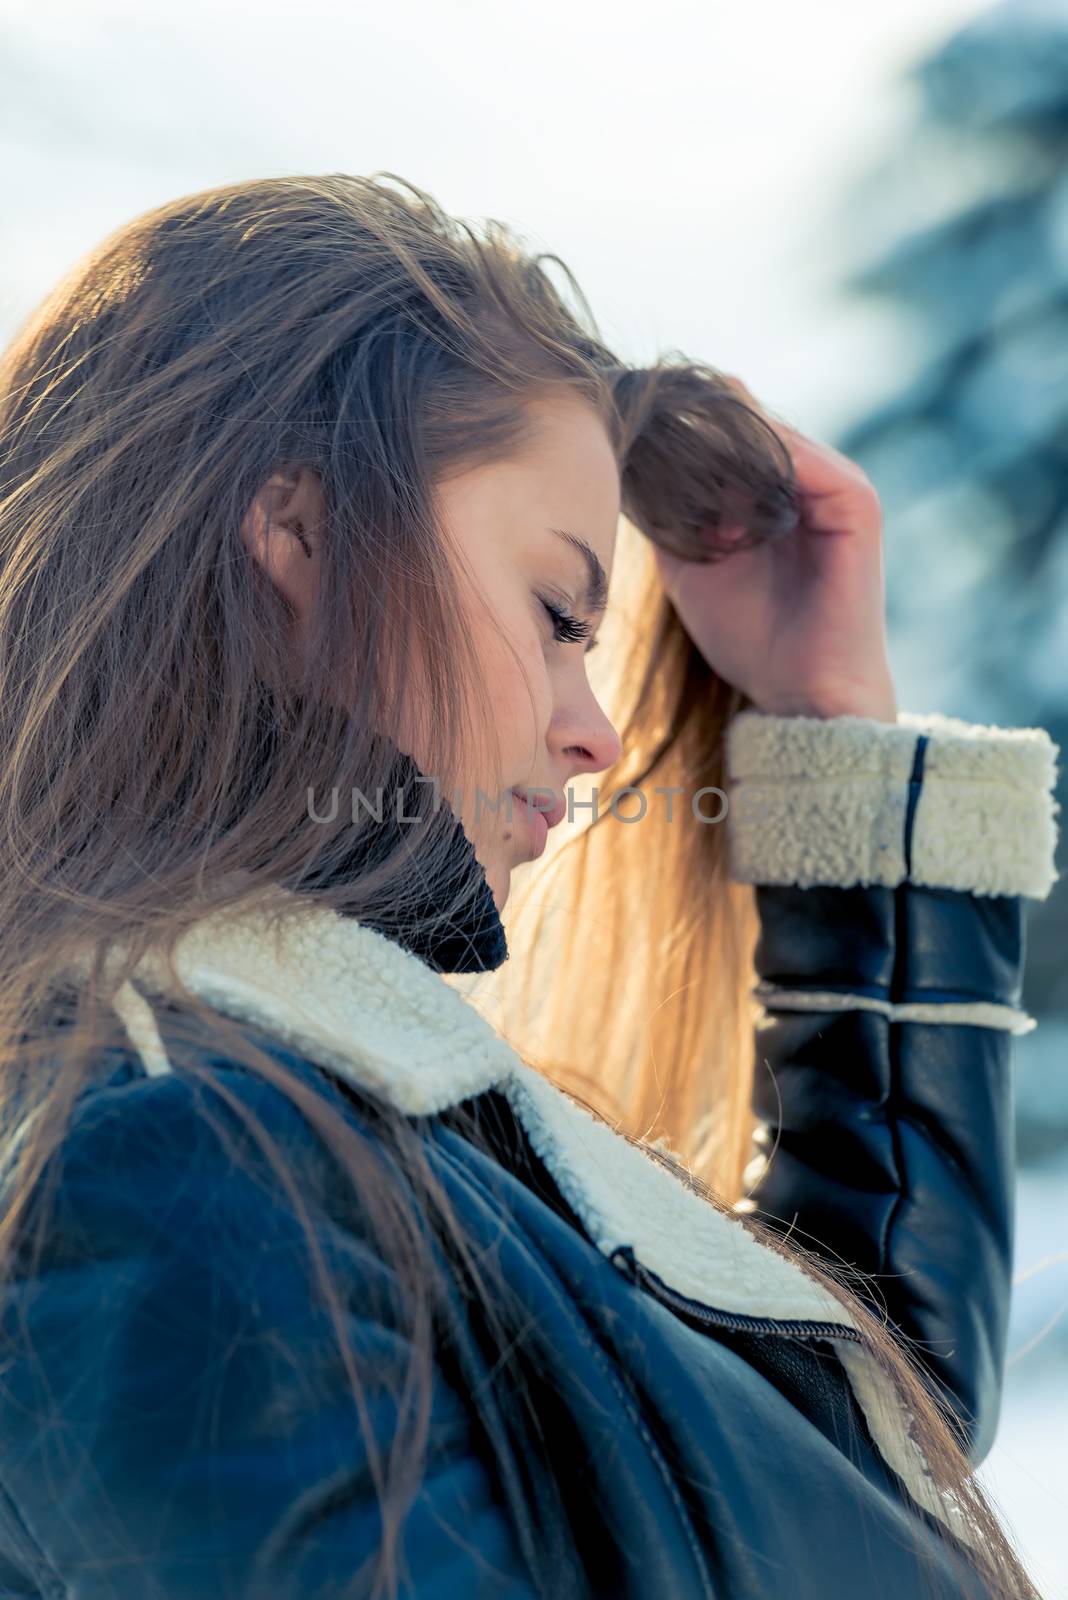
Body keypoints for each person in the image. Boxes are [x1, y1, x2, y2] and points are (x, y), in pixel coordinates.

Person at [0, 171, 1058, 1600]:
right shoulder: (173, 1155)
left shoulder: (314, 1122)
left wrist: (831, 733)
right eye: (560, 616)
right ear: (297, 528)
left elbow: (833, 1444)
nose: (599, 732)